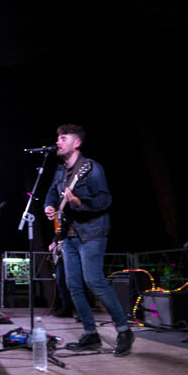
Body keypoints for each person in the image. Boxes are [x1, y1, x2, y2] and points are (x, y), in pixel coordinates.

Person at [42, 124, 135, 356]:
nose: (58, 142)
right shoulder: (59, 171)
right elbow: (51, 195)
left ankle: (124, 330)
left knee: (94, 281)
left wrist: (79, 203)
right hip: (68, 235)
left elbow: (104, 200)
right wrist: (49, 207)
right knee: (74, 286)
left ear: (77, 143)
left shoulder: (91, 168)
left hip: (92, 233)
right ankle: (91, 334)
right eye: (57, 138)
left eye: (63, 138)